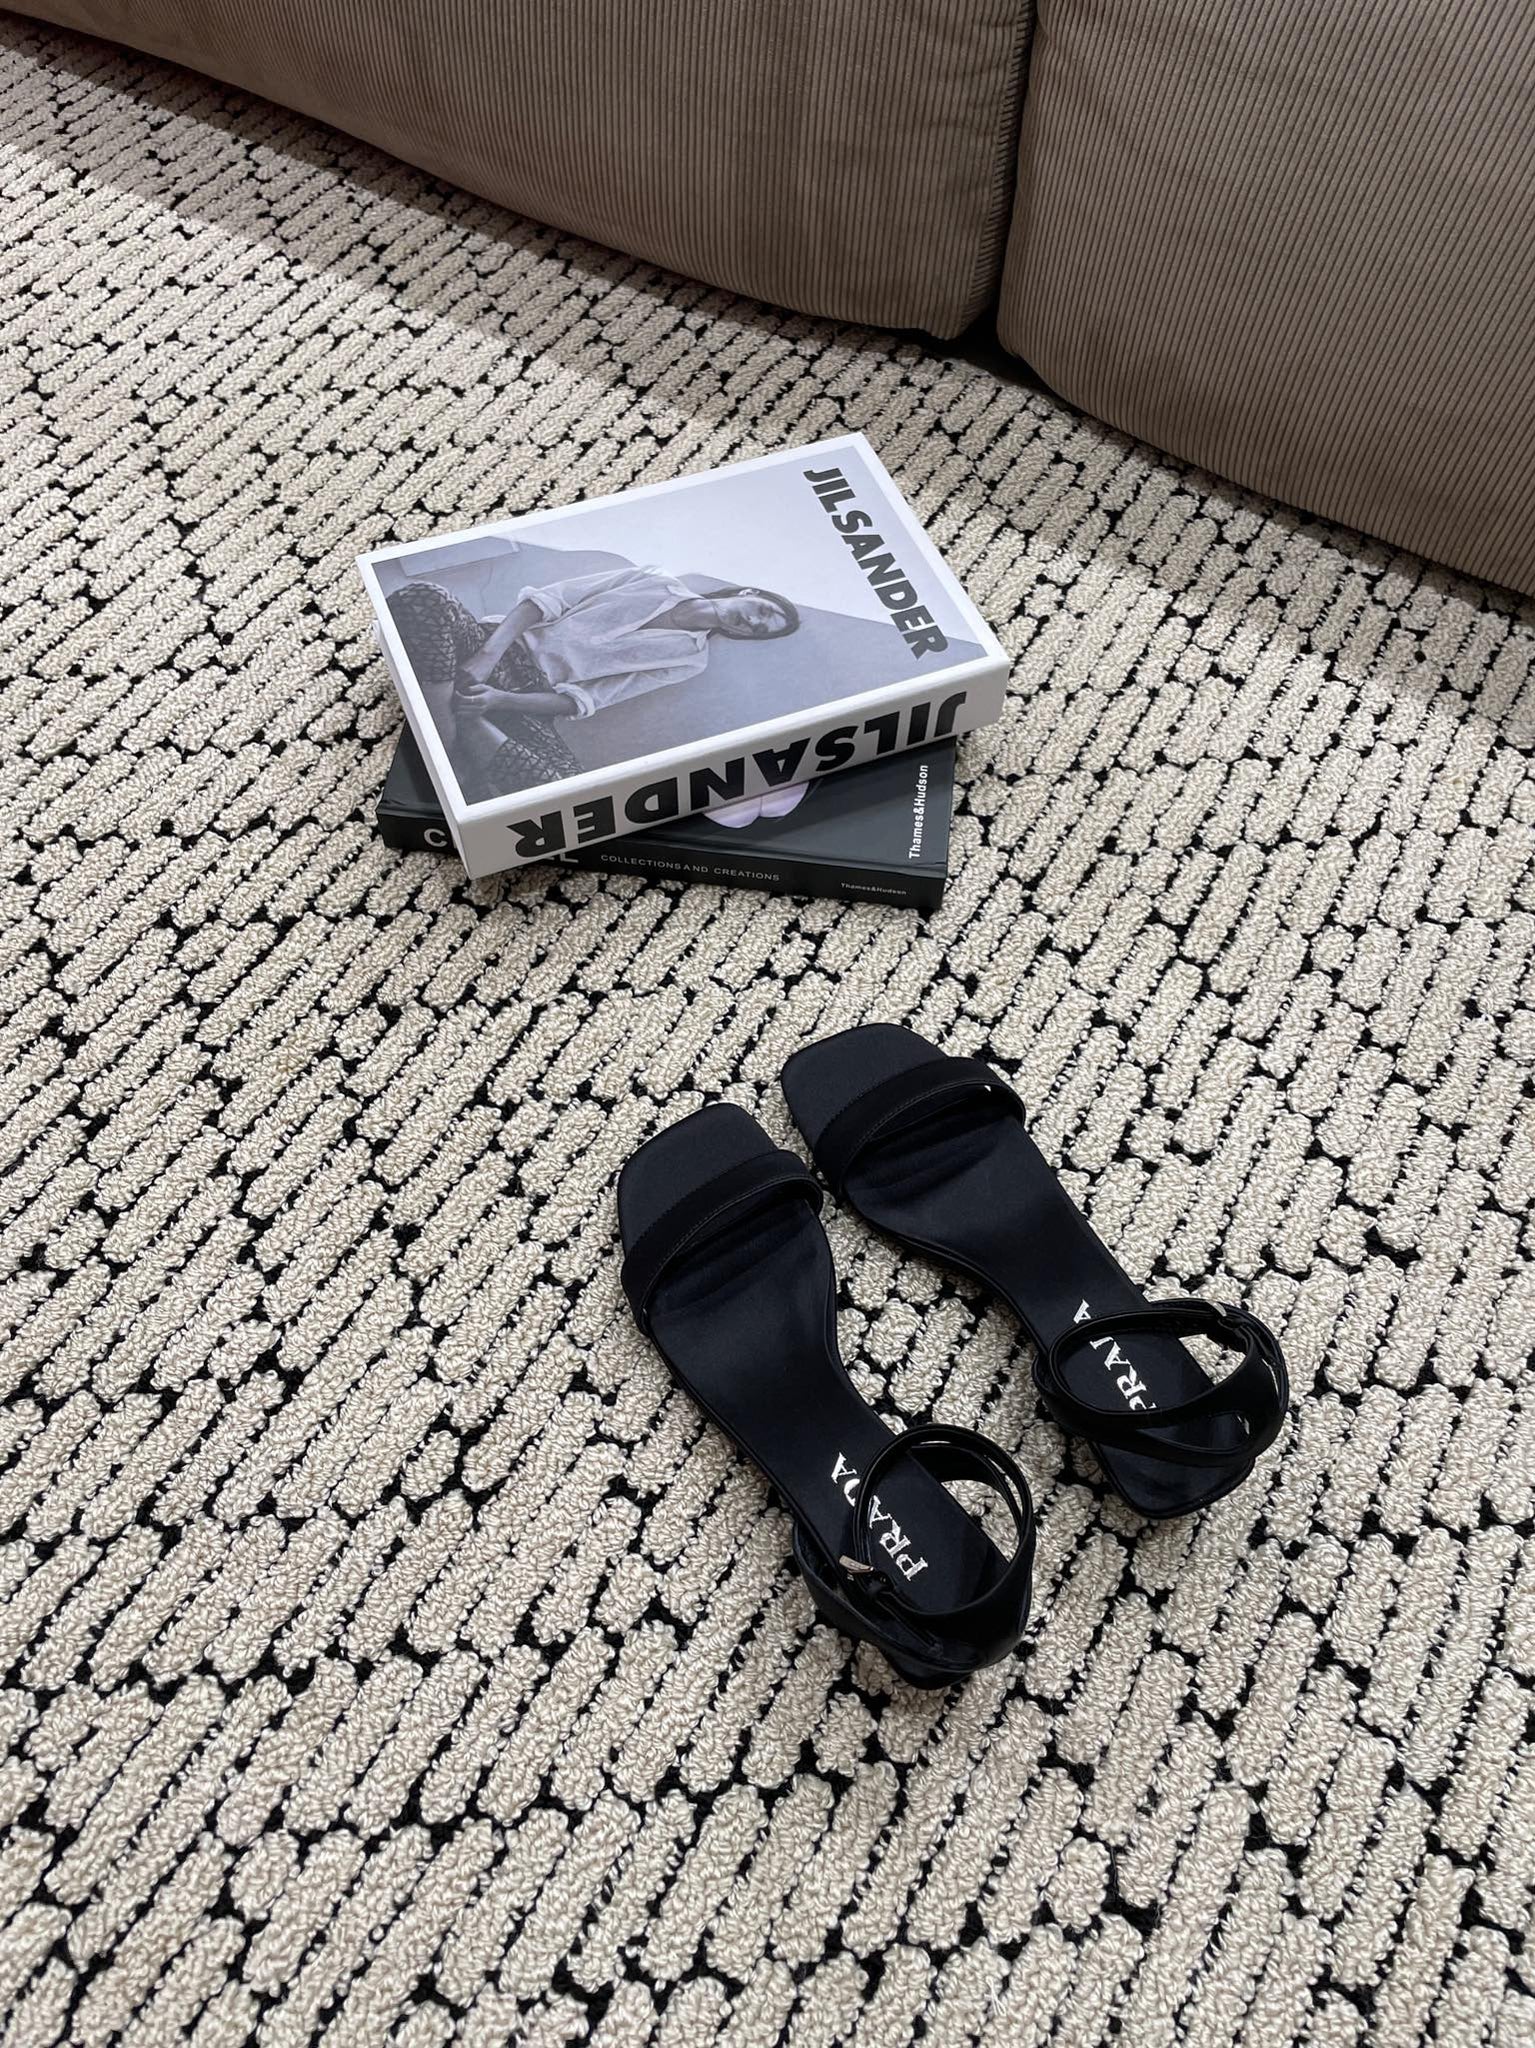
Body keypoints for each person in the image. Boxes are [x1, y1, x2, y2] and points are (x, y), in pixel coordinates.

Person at [386, 564, 801, 801]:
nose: (752, 622)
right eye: (762, 611)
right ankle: (451, 736)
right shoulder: (652, 578)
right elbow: (546, 601)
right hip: (493, 643)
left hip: (526, 698)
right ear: (748, 592)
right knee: (424, 598)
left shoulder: (690, 660)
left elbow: (583, 700)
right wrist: (487, 656)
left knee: (564, 790)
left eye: (759, 630)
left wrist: (497, 700)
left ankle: (453, 711)